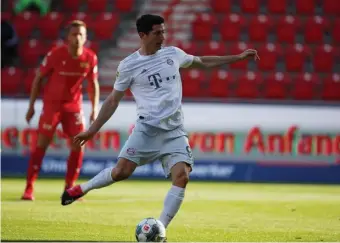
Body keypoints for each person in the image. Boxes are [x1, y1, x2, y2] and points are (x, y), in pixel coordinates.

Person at [61, 14, 259, 231]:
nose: (162, 37)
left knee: (182, 176)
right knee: (120, 173)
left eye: (163, 32)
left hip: (174, 132)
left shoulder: (173, 54)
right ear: (142, 35)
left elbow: (203, 61)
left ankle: (159, 229)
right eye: (157, 33)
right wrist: (92, 130)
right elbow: (112, 100)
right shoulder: (129, 65)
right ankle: (82, 189)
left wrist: (237, 58)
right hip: (146, 130)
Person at [21, 20, 100, 201]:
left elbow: (93, 84)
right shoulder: (56, 55)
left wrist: (95, 108)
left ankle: (69, 188)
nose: (77, 38)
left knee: (79, 144)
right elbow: (39, 79)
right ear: (68, 37)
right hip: (52, 105)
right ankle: (29, 188)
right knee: (42, 143)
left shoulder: (90, 58)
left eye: (81, 34)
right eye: (74, 34)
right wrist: (32, 106)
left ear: (86, 37)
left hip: (74, 107)